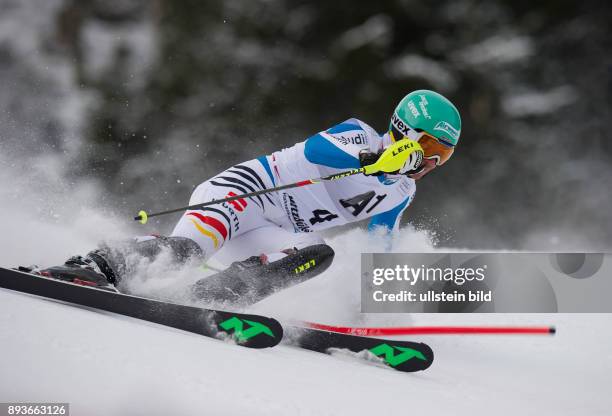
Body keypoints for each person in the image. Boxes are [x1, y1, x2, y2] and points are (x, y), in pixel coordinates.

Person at [39, 89, 461, 305]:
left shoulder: (401, 192)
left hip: (269, 231)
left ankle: (208, 296)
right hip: (241, 195)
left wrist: (369, 302)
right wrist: (373, 159)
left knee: (316, 255)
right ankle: (96, 263)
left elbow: (379, 245)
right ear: (406, 131)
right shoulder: (360, 134)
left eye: (442, 157)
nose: (431, 163)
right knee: (186, 248)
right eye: (430, 148)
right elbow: (316, 150)